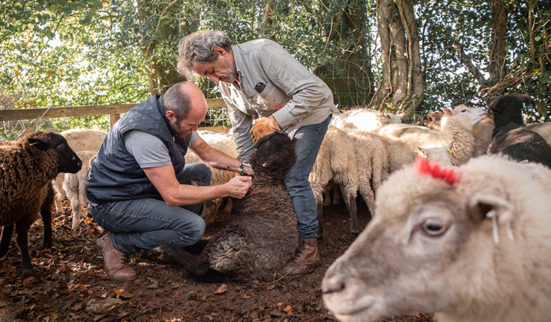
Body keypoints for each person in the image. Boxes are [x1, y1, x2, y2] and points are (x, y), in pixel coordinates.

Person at [178, 30, 337, 276]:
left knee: (294, 177)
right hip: (283, 123)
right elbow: (242, 131)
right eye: (205, 76)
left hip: (312, 113)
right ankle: (291, 235)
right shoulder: (227, 86)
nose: (213, 79)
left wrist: (274, 122)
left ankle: (309, 248)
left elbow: (314, 92)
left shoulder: (263, 53)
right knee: (271, 177)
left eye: (209, 71)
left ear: (220, 52)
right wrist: (246, 167)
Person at [86, 82, 253, 281]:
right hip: (114, 202)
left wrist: (243, 168)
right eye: (192, 125)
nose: (195, 129)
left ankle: (170, 233)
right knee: (194, 228)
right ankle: (118, 243)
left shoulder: (173, 114)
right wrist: (226, 189)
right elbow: (172, 195)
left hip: (140, 187)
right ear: (171, 115)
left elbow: (207, 154)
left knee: (200, 172)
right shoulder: (146, 136)